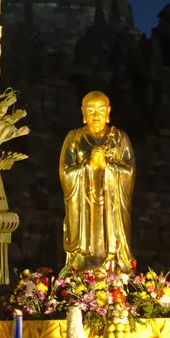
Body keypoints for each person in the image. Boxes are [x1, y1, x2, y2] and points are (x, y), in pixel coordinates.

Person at [59, 91, 135, 275]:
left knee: (112, 244)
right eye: (91, 110)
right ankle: (82, 267)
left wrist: (107, 167)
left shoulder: (119, 137)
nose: (96, 115)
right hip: (83, 207)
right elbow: (65, 172)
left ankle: (113, 265)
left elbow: (130, 172)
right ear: (83, 113)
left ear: (108, 112)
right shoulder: (73, 138)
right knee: (84, 248)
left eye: (101, 110)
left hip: (111, 208)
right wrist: (88, 166)